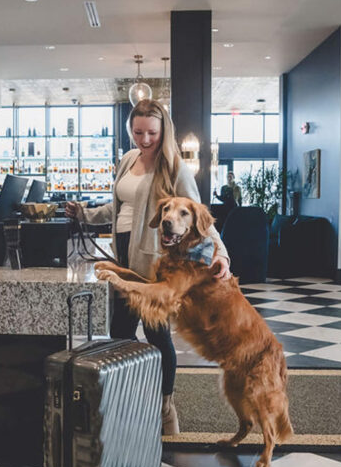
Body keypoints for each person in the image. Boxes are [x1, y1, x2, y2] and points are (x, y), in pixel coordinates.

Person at [65, 99, 230, 436]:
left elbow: (200, 216)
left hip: (153, 263)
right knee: (120, 334)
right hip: (121, 257)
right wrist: (84, 213)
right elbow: (119, 207)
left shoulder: (174, 168)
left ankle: (165, 409)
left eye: (151, 133)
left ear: (163, 130)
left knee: (156, 336)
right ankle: (129, 401)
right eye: (138, 132)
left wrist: (222, 254)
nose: (144, 139)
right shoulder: (128, 159)